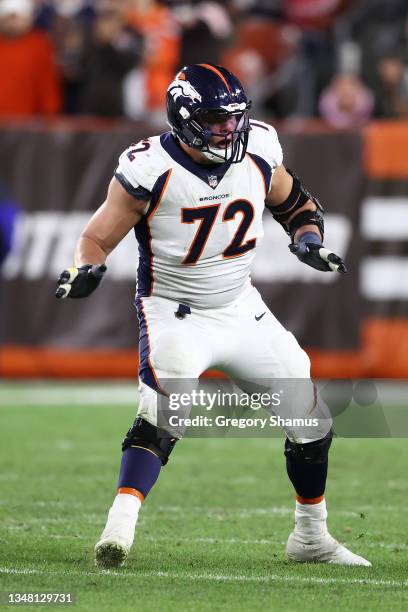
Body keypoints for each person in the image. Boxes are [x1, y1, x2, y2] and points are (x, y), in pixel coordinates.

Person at [55, 63, 371, 569]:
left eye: (235, 117)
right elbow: (96, 237)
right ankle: (119, 527)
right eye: (216, 119)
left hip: (241, 306)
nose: (229, 128)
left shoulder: (262, 147)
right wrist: (87, 267)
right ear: (185, 118)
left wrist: (307, 240)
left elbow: (295, 203)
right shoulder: (148, 167)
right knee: (163, 414)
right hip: (175, 311)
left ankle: (310, 537)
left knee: (311, 422)